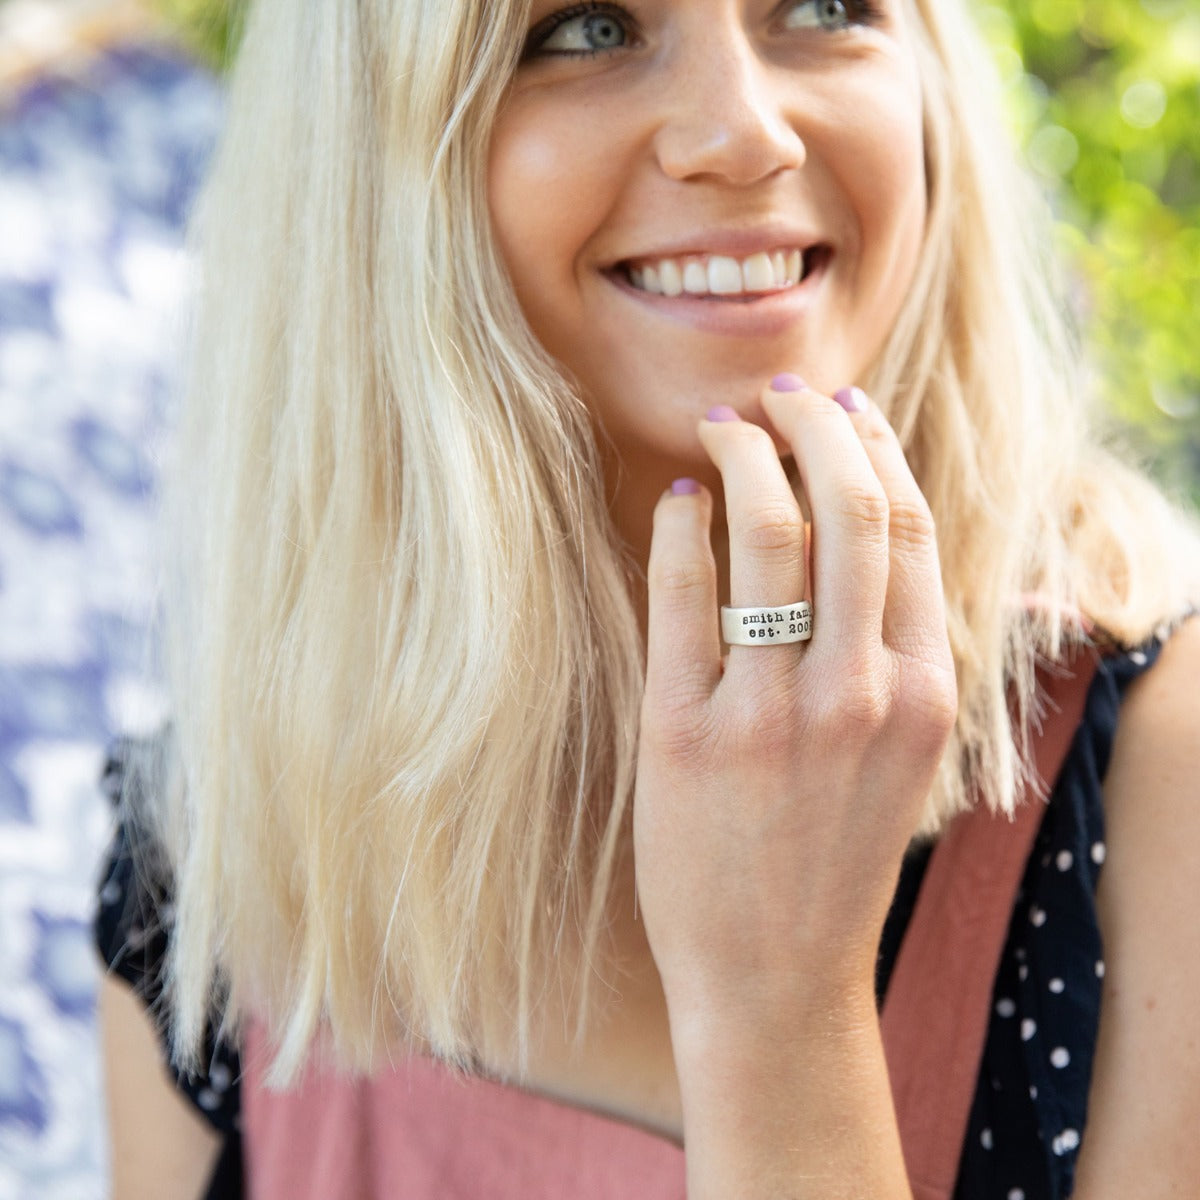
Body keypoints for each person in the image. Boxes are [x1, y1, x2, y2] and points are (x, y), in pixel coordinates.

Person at [95, 0, 1200, 1196]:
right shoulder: (216, 835)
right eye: (585, 27)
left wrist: (776, 1008)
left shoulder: (1158, 780)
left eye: (826, 7)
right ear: (368, 162)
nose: (745, 134)